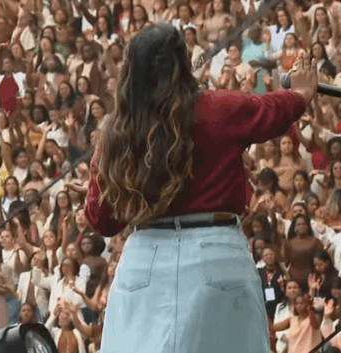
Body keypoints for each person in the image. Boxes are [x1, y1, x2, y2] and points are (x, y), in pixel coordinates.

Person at [83, 23, 319, 353]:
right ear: (183, 63)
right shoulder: (217, 108)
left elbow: (102, 222)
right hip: (216, 251)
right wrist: (301, 94)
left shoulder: (116, 132)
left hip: (144, 260)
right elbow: (270, 112)